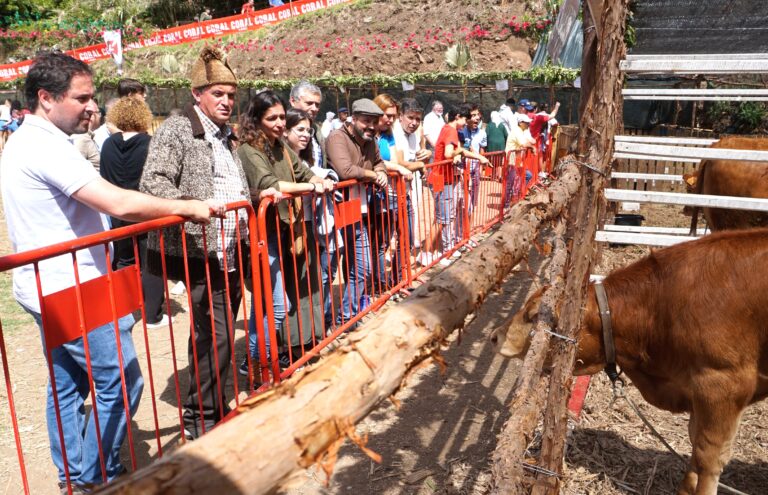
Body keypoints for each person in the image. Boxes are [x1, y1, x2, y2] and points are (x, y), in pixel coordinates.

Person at [0, 52, 214, 493]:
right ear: (45, 98)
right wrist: (184, 206)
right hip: (71, 287)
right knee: (121, 380)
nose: (91, 106)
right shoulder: (42, 146)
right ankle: (96, 479)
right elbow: (117, 203)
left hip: (59, 282)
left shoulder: (34, 141)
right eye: (81, 98)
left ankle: (76, 478)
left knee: (67, 385)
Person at [140, 47, 251, 439]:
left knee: (213, 333)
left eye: (231, 95)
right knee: (217, 334)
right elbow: (153, 182)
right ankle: (200, 417)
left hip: (230, 245)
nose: (226, 101)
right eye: (218, 93)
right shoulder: (176, 128)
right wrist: (193, 206)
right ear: (197, 94)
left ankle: (213, 406)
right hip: (197, 248)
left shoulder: (226, 134)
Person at [238, 92, 332, 373]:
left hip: (281, 231)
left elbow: (302, 172)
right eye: (272, 118)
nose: (280, 123)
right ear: (256, 120)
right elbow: (271, 184)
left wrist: (315, 179)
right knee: (275, 305)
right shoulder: (248, 149)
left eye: (281, 117)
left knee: (268, 305)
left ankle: (257, 362)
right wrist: (312, 187)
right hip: (260, 234)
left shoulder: (278, 144)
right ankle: (259, 364)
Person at [100, 97, 169, 329]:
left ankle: (125, 310)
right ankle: (153, 315)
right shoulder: (150, 143)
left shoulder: (108, 145)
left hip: (117, 211)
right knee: (152, 262)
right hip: (147, 211)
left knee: (124, 260)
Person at [326, 98, 388, 327]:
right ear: (353, 119)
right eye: (366, 121)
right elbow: (345, 170)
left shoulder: (370, 141)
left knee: (362, 267)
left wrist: (380, 171)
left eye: (374, 122)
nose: (370, 126)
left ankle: (346, 317)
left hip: (357, 211)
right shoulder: (337, 137)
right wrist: (373, 175)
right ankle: (321, 326)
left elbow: (380, 163)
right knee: (328, 272)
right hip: (333, 212)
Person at [427, 104, 489, 266]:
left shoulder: (450, 129)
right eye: (465, 118)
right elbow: (449, 153)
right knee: (444, 218)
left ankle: (446, 249)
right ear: (458, 117)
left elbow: (460, 150)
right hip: (443, 178)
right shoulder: (451, 130)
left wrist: (479, 158)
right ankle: (437, 252)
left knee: (447, 216)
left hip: (447, 178)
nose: (467, 121)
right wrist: (457, 153)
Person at [371, 94, 412, 292]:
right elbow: (372, 161)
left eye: (393, 116)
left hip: (394, 192)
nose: (390, 119)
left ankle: (396, 279)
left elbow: (395, 159)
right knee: (381, 241)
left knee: (404, 237)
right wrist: (398, 168)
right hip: (376, 194)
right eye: (387, 115)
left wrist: (397, 167)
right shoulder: (369, 134)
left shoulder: (388, 135)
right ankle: (380, 283)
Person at [392, 98, 431, 263]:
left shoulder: (414, 135)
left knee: (406, 236)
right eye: (410, 117)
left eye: (417, 119)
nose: (414, 122)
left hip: (407, 190)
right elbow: (400, 162)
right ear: (400, 116)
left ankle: (399, 276)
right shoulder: (395, 133)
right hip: (390, 192)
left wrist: (427, 155)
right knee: (387, 238)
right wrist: (421, 164)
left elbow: (417, 158)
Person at [288, 80, 326, 168]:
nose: (314, 108)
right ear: (293, 101)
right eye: (309, 103)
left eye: (317, 104)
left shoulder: (316, 130)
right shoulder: (282, 129)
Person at [460, 103, 487, 217]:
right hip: (462, 169)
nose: (477, 118)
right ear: (467, 118)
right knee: (463, 200)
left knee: (473, 199)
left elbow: (482, 150)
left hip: (475, 168)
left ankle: (467, 223)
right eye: (473, 115)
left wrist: (481, 168)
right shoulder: (461, 131)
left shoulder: (482, 133)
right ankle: (463, 225)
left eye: (478, 115)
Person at [504, 113, 536, 205]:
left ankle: (516, 197)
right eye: (526, 123)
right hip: (511, 160)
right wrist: (533, 148)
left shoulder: (521, 131)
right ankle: (507, 203)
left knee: (527, 176)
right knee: (510, 182)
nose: (528, 124)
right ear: (521, 123)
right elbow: (524, 144)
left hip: (516, 161)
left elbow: (527, 142)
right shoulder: (517, 131)